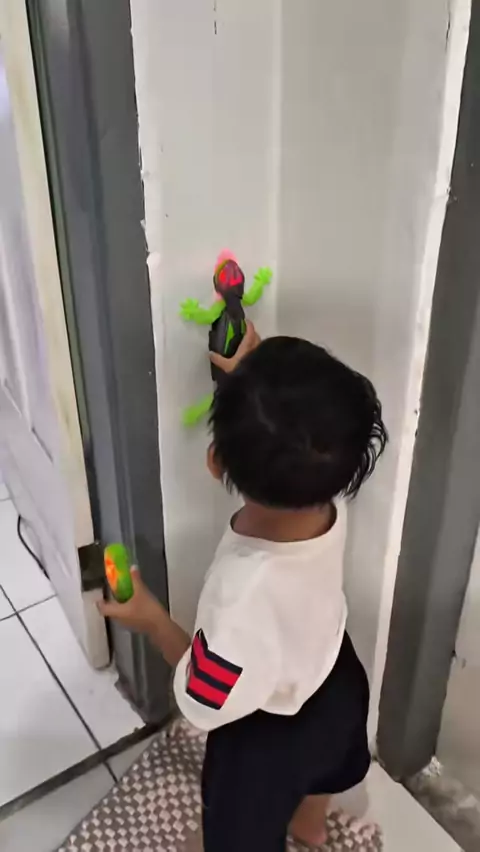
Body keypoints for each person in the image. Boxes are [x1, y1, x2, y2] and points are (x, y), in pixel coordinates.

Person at [99, 322, 388, 852]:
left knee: (240, 828)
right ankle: (310, 825)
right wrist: (248, 379)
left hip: (268, 734)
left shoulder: (240, 596)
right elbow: (298, 430)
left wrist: (151, 618)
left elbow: (204, 696)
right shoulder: (327, 498)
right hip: (335, 677)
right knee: (328, 763)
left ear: (214, 461)